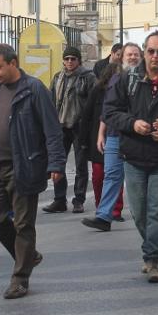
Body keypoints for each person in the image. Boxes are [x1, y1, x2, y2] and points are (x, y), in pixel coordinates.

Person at [0, 44, 65, 299]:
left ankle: (20, 279)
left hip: (24, 165)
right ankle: (28, 255)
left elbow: (52, 129)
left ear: (13, 63)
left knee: (24, 224)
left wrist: (56, 163)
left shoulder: (33, 89)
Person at [104, 32, 158, 283]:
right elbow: (110, 112)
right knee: (139, 212)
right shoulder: (127, 78)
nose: (155, 56)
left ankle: (154, 260)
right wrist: (133, 124)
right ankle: (151, 248)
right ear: (144, 52)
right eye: (151, 51)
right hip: (133, 155)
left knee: (156, 211)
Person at [81, 43, 142, 231]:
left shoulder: (145, 80)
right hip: (114, 135)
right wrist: (101, 134)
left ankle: (143, 217)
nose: (132, 57)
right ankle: (104, 216)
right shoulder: (115, 79)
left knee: (137, 179)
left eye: (136, 54)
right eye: (129, 54)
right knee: (111, 175)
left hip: (136, 137)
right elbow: (108, 109)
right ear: (122, 58)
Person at [44, 46, 95, 213]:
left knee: (80, 165)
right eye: (67, 59)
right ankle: (59, 199)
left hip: (80, 126)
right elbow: (51, 100)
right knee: (58, 163)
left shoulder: (88, 77)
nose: (70, 61)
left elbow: (94, 102)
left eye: (73, 58)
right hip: (60, 126)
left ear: (79, 60)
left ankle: (79, 200)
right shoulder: (57, 78)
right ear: (63, 61)